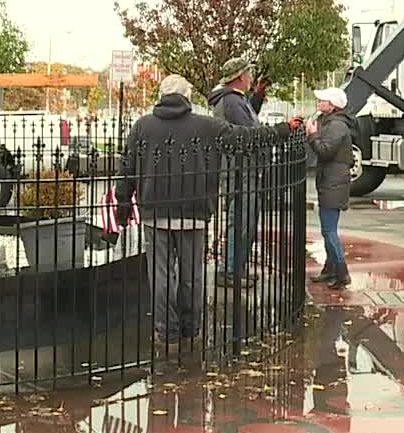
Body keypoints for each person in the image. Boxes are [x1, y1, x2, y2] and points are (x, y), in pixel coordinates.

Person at [117, 74, 296, 356]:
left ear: (162, 96)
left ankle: (166, 331)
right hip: (194, 212)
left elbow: (127, 166)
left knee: (161, 275)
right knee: (191, 276)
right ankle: (191, 328)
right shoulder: (205, 125)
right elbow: (244, 138)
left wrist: (123, 201)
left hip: (155, 212)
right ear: (187, 97)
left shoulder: (142, 126)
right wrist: (283, 130)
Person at [207, 56, 272, 288]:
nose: (251, 77)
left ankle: (236, 268)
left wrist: (258, 96)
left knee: (245, 221)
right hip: (240, 170)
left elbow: (246, 119)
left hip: (243, 169)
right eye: (249, 74)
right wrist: (277, 132)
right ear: (240, 77)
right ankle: (230, 270)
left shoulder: (235, 101)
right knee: (241, 222)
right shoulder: (232, 102)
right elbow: (248, 133)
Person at [303, 87, 356, 289]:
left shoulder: (337, 126)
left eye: (322, 100)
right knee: (328, 229)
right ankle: (330, 268)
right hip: (331, 181)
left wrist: (312, 135)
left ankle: (342, 272)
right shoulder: (332, 123)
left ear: (332, 105)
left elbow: (325, 151)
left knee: (329, 230)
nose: (318, 103)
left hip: (333, 182)